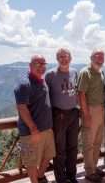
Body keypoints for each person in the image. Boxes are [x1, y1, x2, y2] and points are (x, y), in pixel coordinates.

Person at [14, 55, 55, 183]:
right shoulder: (24, 84)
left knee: (48, 156)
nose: (41, 66)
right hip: (31, 132)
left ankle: (39, 177)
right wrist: (33, 129)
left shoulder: (42, 81)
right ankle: (34, 180)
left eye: (43, 64)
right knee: (31, 162)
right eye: (38, 64)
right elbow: (22, 108)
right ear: (30, 65)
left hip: (47, 129)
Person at [45, 48, 79, 183]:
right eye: (61, 57)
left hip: (74, 113)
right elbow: (45, 96)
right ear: (57, 59)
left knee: (73, 147)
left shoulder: (74, 72)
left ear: (70, 58)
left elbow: (76, 92)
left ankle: (72, 176)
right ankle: (61, 179)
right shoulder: (50, 74)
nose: (64, 59)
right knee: (60, 150)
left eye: (66, 56)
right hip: (58, 114)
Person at [77, 49, 105, 183]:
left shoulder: (101, 72)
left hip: (101, 109)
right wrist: (86, 114)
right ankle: (89, 171)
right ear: (91, 57)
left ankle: (94, 167)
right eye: (97, 56)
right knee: (89, 142)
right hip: (90, 110)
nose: (100, 58)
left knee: (97, 142)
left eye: (102, 56)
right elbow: (81, 94)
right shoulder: (85, 72)